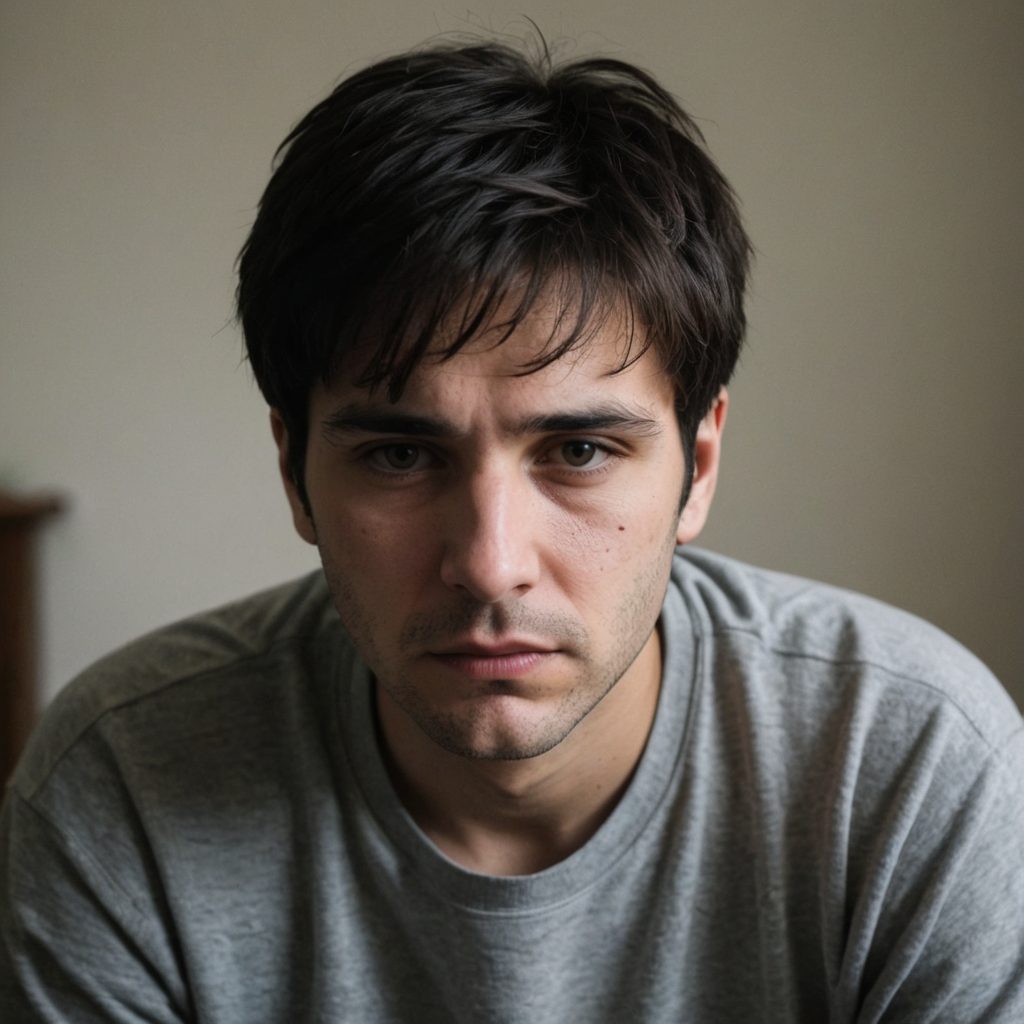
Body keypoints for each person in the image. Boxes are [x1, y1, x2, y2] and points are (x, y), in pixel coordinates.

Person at [2, 38, 1023, 1024]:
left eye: (578, 451)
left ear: (698, 465)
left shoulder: (908, 766)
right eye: (400, 456)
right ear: (293, 472)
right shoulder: (121, 781)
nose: (490, 566)